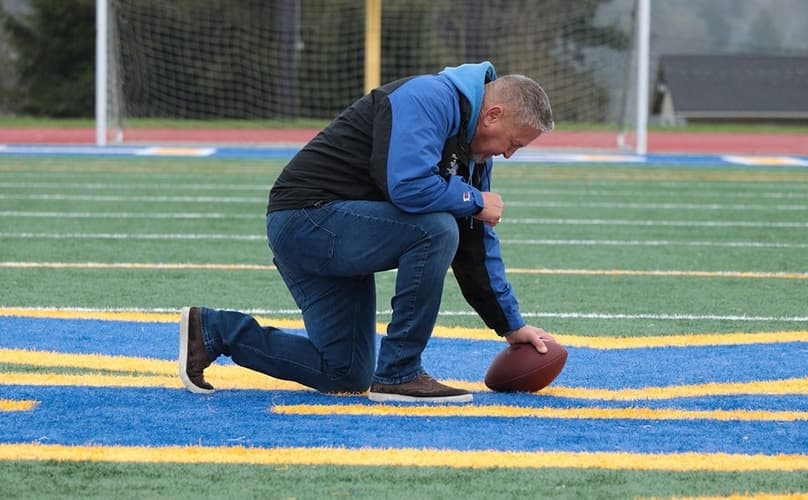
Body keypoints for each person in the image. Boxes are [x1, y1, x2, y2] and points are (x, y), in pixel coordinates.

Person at [178, 61, 556, 403]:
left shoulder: (472, 149)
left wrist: (511, 325)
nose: (509, 155)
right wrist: (474, 200)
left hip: (338, 230)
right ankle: (400, 372)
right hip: (306, 219)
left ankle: (215, 330)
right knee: (435, 229)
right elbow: (407, 185)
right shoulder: (429, 98)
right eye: (515, 143)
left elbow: (474, 243)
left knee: (344, 373)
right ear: (492, 114)